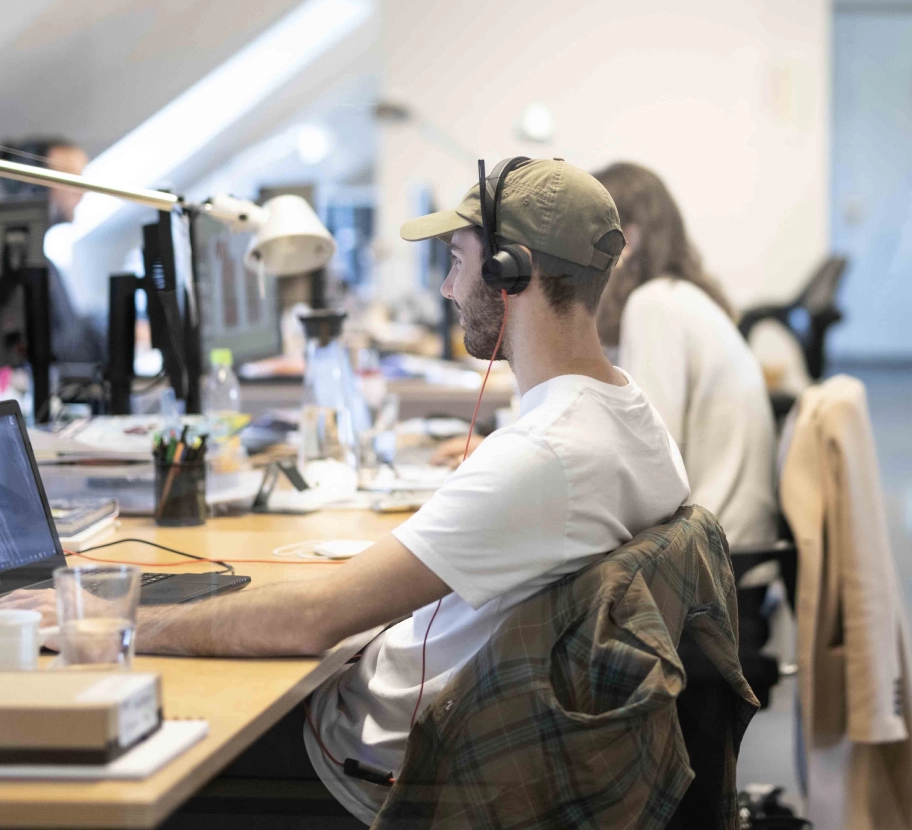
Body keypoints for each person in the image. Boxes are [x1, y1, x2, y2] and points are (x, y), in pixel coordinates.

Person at [3, 158, 691, 826]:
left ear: (510, 270)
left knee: (79, 763)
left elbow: (309, 620)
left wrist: (110, 617)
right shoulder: (631, 416)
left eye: (457, 261)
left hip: (378, 769)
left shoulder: (544, 454)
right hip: (480, 744)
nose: (448, 288)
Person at [591, 162, 777, 567]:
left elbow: (651, 464)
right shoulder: (677, 297)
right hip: (729, 549)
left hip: (716, 566)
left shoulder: (653, 305)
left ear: (628, 241)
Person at [0, 137, 103, 364]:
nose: (82, 191)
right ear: (34, 187)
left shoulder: (46, 266)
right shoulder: (15, 265)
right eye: (71, 177)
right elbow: (57, 348)